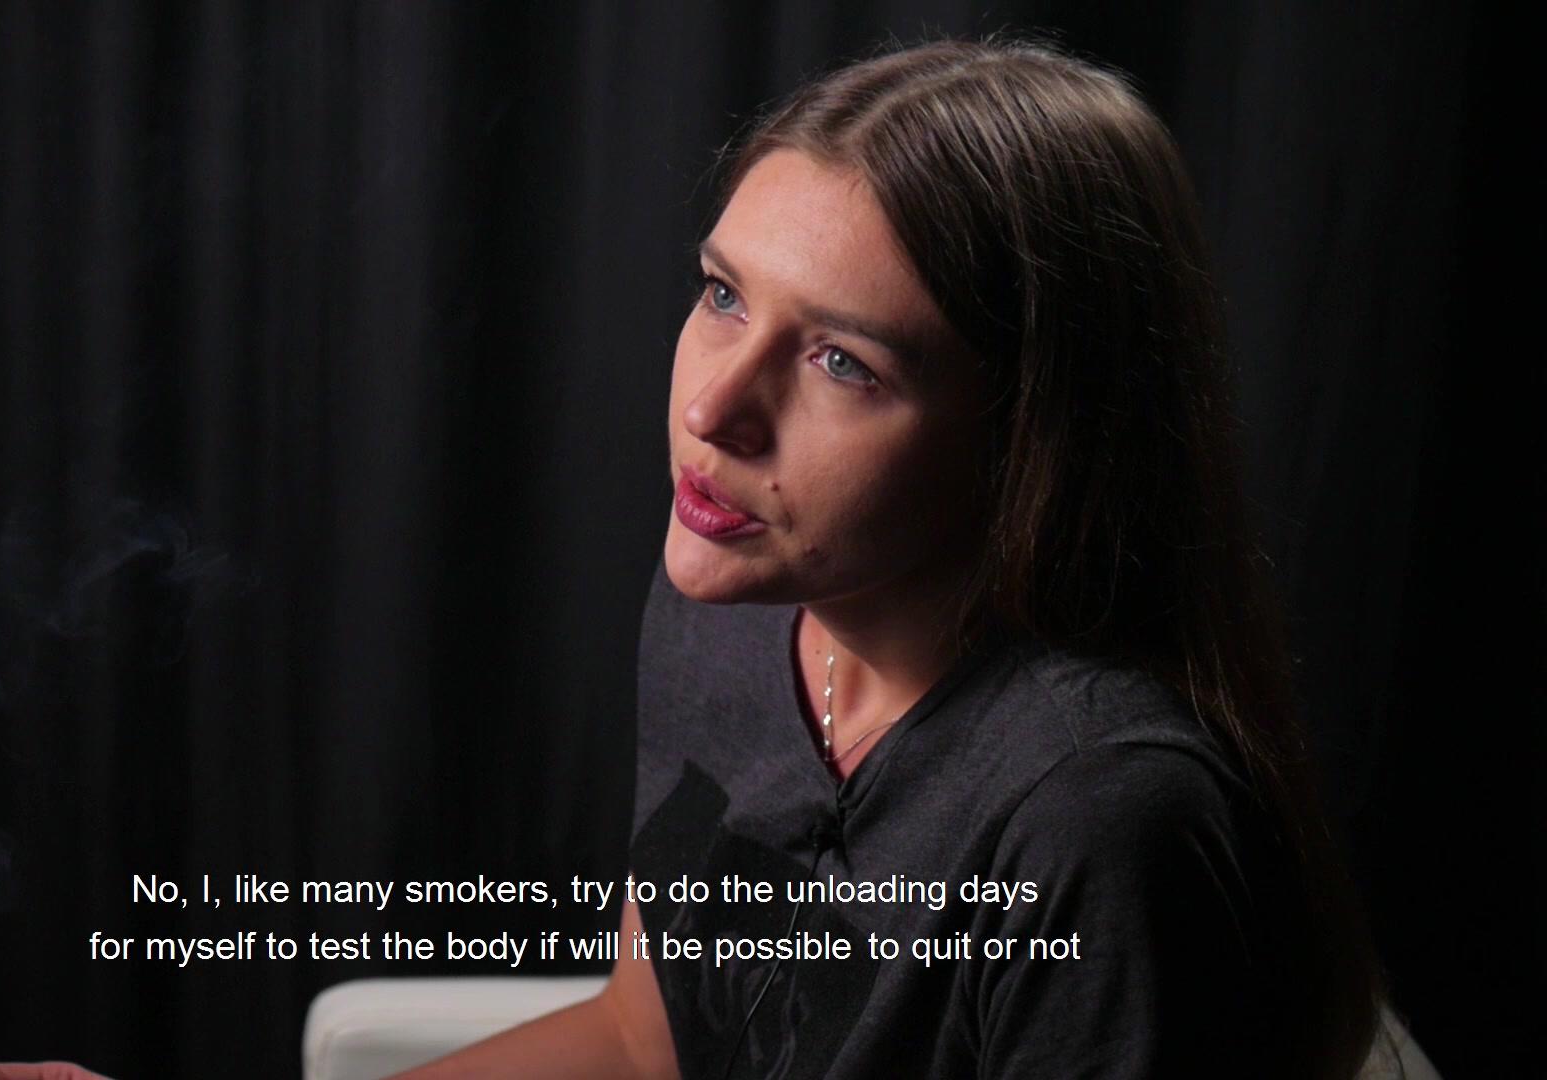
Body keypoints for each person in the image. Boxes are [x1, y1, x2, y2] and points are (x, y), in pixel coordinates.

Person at [391, 33, 1390, 1080]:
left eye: (841, 362)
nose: (711, 411)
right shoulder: (726, 601)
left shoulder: (1095, 820)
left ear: (1030, 437)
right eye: (724, 295)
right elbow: (648, 1044)